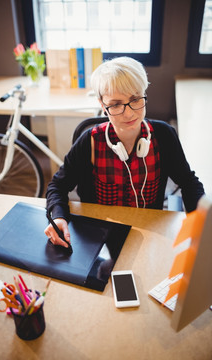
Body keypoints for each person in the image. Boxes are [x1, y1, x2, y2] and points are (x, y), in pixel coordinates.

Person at [44, 56, 204, 248]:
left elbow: (188, 183)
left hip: (148, 233)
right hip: (99, 237)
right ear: (103, 105)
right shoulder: (90, 142)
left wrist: (202, 222)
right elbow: (57, 186)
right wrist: (58, 216)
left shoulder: (164, 136)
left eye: (135, 99)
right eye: (116, 104)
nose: (129, 113)